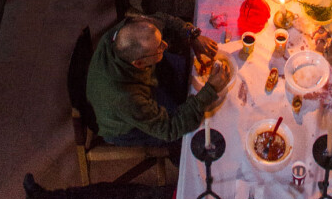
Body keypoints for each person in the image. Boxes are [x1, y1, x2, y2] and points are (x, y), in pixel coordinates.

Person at [86, 12, 232, 149]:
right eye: (159, 48)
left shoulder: (127, 30)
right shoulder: (127, 96)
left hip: (140, 84)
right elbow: (170, 129)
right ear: (139, 63)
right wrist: (210, 89)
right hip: (123, 128)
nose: (165, 45)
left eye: (161, 40)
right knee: (187, 138)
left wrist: (191, 34)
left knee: (185, 70)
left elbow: (164, 20)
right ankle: (177, 158)